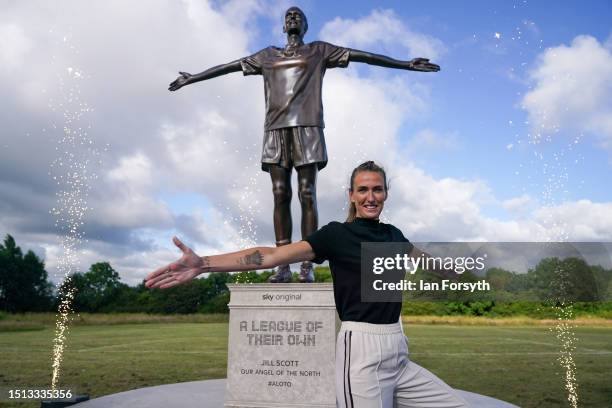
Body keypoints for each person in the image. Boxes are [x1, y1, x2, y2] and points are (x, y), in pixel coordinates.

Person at [146, 161, 469, 408]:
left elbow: (423, 258)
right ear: (351, 195)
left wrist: (458, 272)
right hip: (362, 353)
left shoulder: (393, 235)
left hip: (398, 351)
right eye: (363, 190)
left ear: (385, 193)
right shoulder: (336, 235)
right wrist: (204, 264)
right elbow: (271, 256)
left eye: (377, 189)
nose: (371, 197)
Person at [168, 6, 440, 283]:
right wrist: (193, 78)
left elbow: (363, 56)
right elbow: (228, 67)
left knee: (307, 192)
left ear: (306, 25)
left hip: (308, 128)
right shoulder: (267, 55)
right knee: (279, 192)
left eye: (298, 15)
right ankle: (283, 265)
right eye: (288, 16)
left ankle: (307, 265)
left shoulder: (319, 51)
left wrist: (405, 64)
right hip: (275, 128)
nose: (293, 18)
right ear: (284, 27)